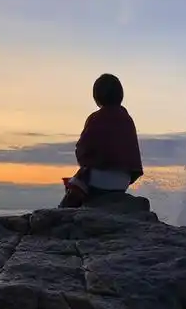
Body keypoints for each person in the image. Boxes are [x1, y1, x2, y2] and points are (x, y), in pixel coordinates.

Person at [59, 73, 143, 208]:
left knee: (77, 184)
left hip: (100, 182)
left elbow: (82, 148)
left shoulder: (96, 118)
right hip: (124, 181)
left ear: (97, 97)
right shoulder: (127, 119)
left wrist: (86, 164)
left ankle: (64, 212)